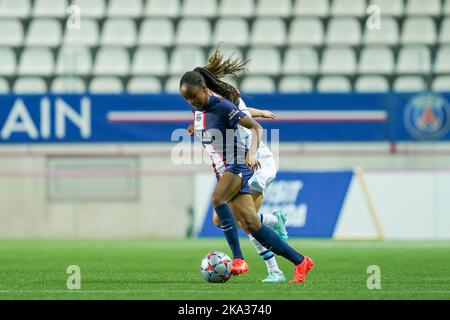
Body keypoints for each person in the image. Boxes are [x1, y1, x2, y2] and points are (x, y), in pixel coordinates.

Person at [179, 69, 314, 283]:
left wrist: (251, 152)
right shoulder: (199, 110)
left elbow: (255, 126)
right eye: (186, 98)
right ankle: (300, 261)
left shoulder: (222, 105)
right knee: (251, 224)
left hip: (238, 165)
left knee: (218, 199)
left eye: (193, 96)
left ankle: (239, 259)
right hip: (222, 171)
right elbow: (208, 124)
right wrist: (194, 127)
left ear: (204, 89)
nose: (190, 101)